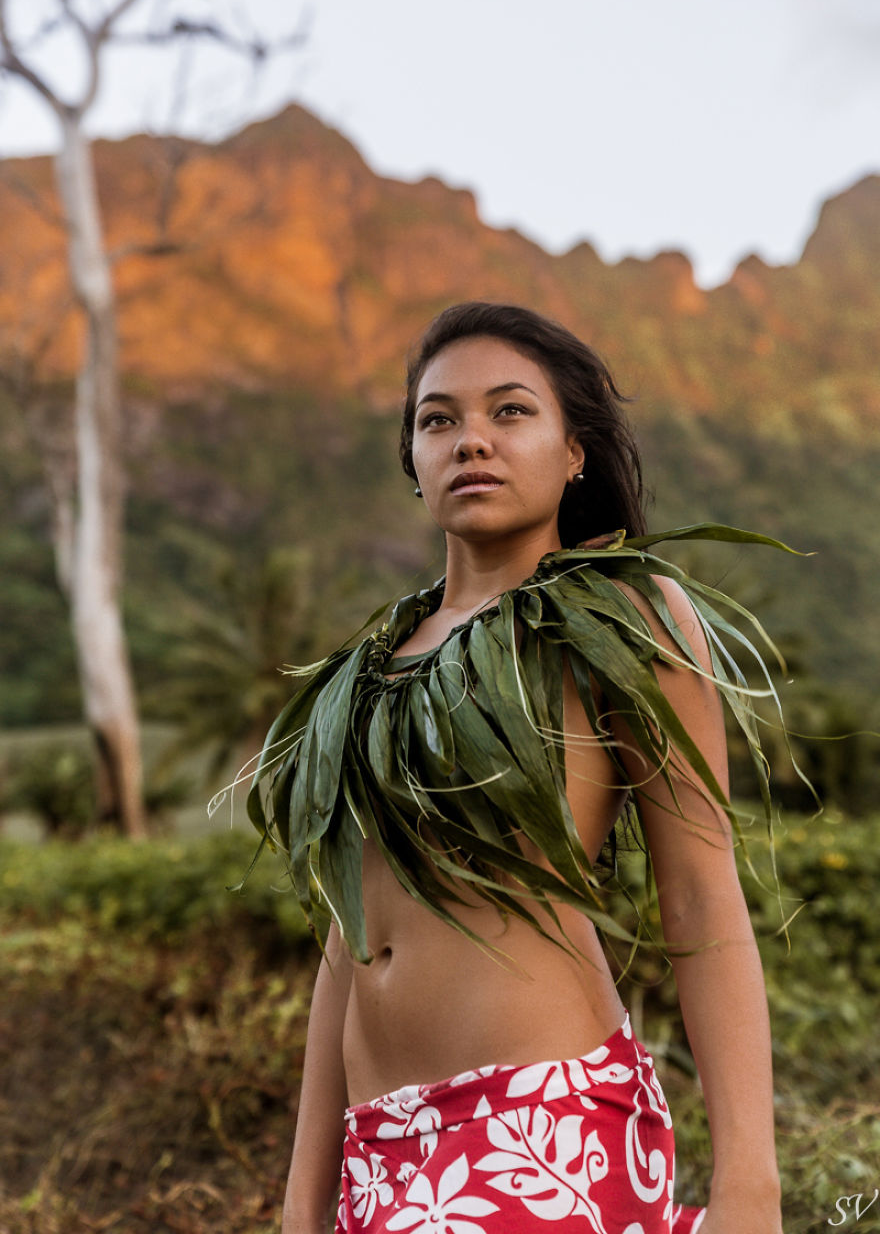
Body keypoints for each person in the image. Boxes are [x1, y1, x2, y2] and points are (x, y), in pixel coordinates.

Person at [252, 302, 786, 1234]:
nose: (470, 442)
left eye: (510, 412)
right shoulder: (371, 666)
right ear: (413, 465)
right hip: (380, 1154)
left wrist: (751, 1184)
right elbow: (349, 943)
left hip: (536, 1123)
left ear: (573, 451)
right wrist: (304, 1206)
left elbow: (702, 899)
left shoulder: (624, 614)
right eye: (438, 419)